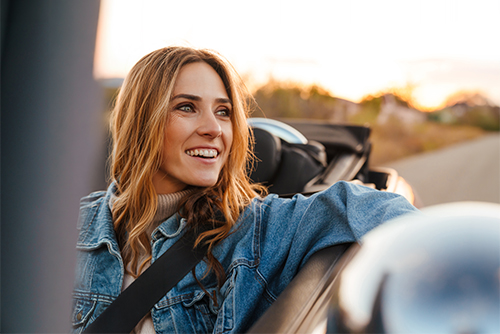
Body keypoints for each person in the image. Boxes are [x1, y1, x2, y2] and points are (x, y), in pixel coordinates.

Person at [72, 46, 418, 334]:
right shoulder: (73, 226)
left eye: (223, 112)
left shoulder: (257, 229)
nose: (213, 128)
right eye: (186, 107)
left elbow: (378, 210)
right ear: (141, 120)